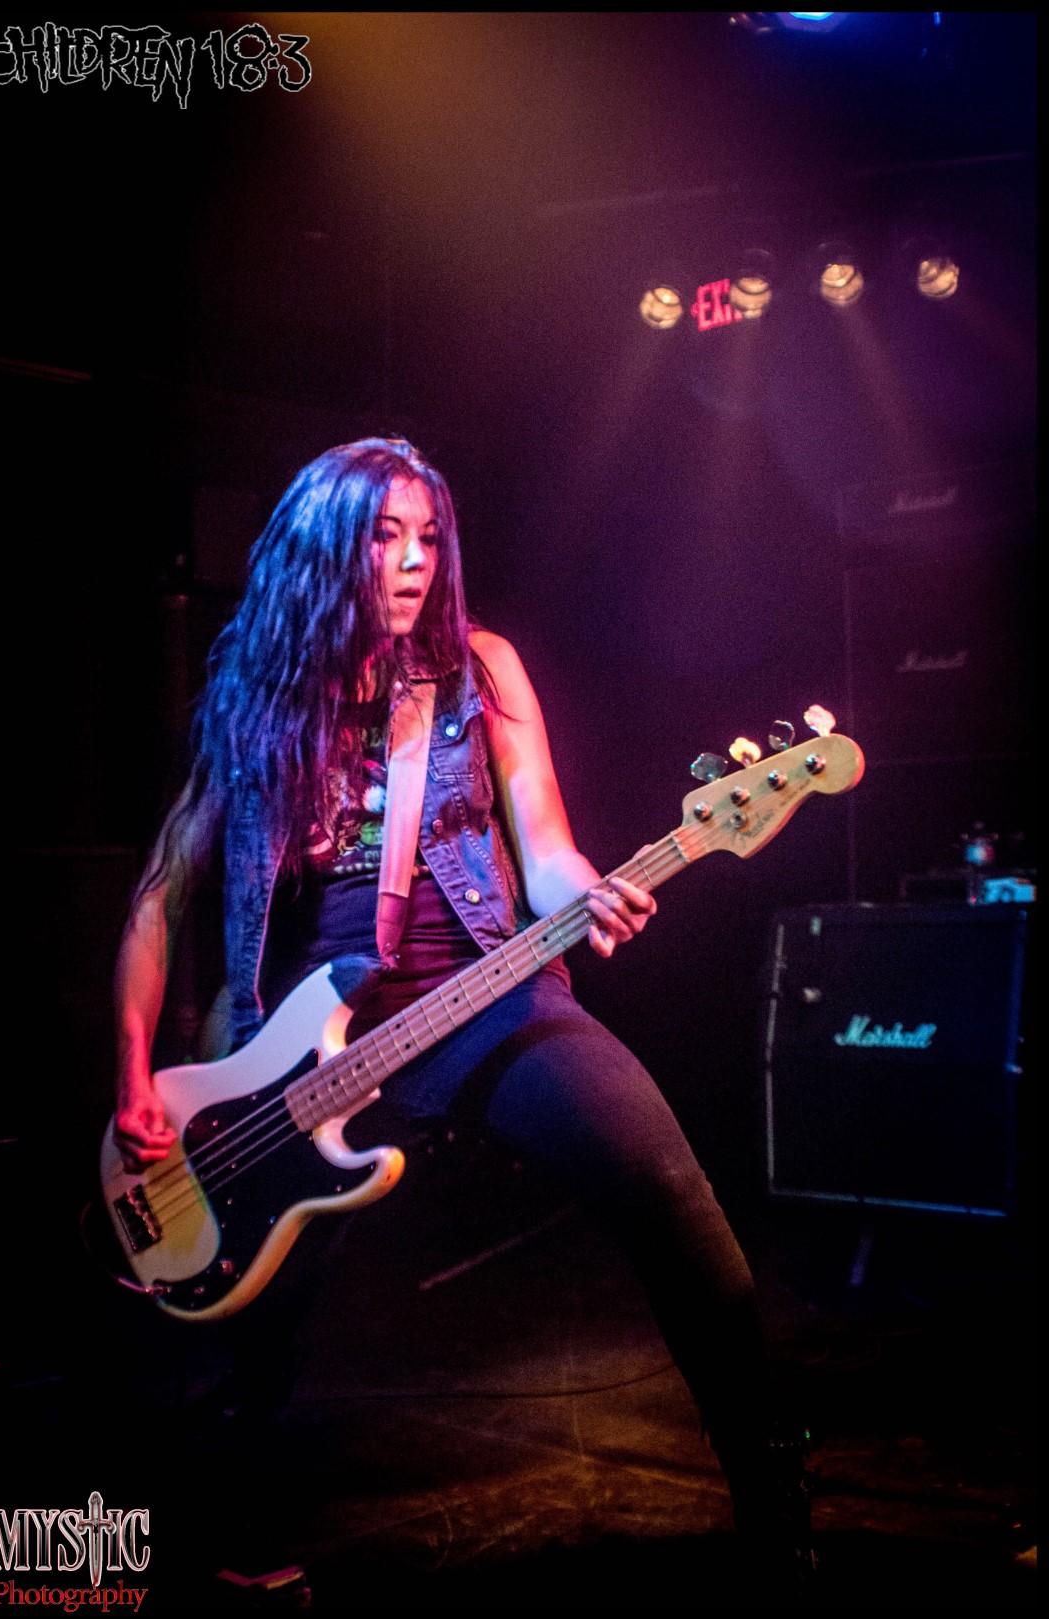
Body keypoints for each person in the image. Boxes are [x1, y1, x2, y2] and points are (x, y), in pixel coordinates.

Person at [112, 436, 814, 1580]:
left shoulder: (479, 670)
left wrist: (584, 892)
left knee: (664, 1182)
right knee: (252, 1311)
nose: (413, 562)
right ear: (320, 551)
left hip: (485, 988)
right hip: (300, 1049)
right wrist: (135, 1075)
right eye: (384, 536)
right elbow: (158, 897)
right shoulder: (249, 702)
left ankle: (776, 1504)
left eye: (428, 538)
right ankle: (226, 1525)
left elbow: (546, 846)